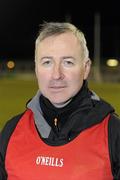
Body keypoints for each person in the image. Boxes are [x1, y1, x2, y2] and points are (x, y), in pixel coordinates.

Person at [0, 22, 120, 180]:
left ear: (86, 68)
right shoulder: (11, 131)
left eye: (68, 62)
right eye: (47, 62)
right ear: (36, 69)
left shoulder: (114, 134)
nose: (56, 75)